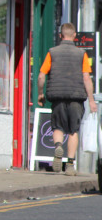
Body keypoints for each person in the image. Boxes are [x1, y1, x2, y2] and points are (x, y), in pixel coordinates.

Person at [37, 23, 97, 174]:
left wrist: (40, 93)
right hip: (76, 97)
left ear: (60, 36)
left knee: (57, 126)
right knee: (73, 130)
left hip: (57, 96)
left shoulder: (52, 52)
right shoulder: (81, 54)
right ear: (75, 36)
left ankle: (58, 147)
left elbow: (41, 75)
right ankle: (70, 164)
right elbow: (86, 78)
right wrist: (91, 100)